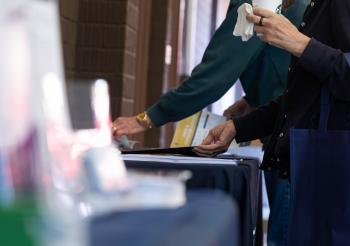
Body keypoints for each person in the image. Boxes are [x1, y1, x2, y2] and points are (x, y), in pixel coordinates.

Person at [195, 0, 350, 244]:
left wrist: (300, 43)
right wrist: (238, 127)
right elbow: (304, 95)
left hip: (334, 175)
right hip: (323, 171)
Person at [112, 0, 308, 245]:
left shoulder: (256, 4)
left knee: (286, 235)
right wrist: (254, 97)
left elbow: (212, 78)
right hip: (300, 132)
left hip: (290, 137)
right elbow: (284, 66)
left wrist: (146, 119)